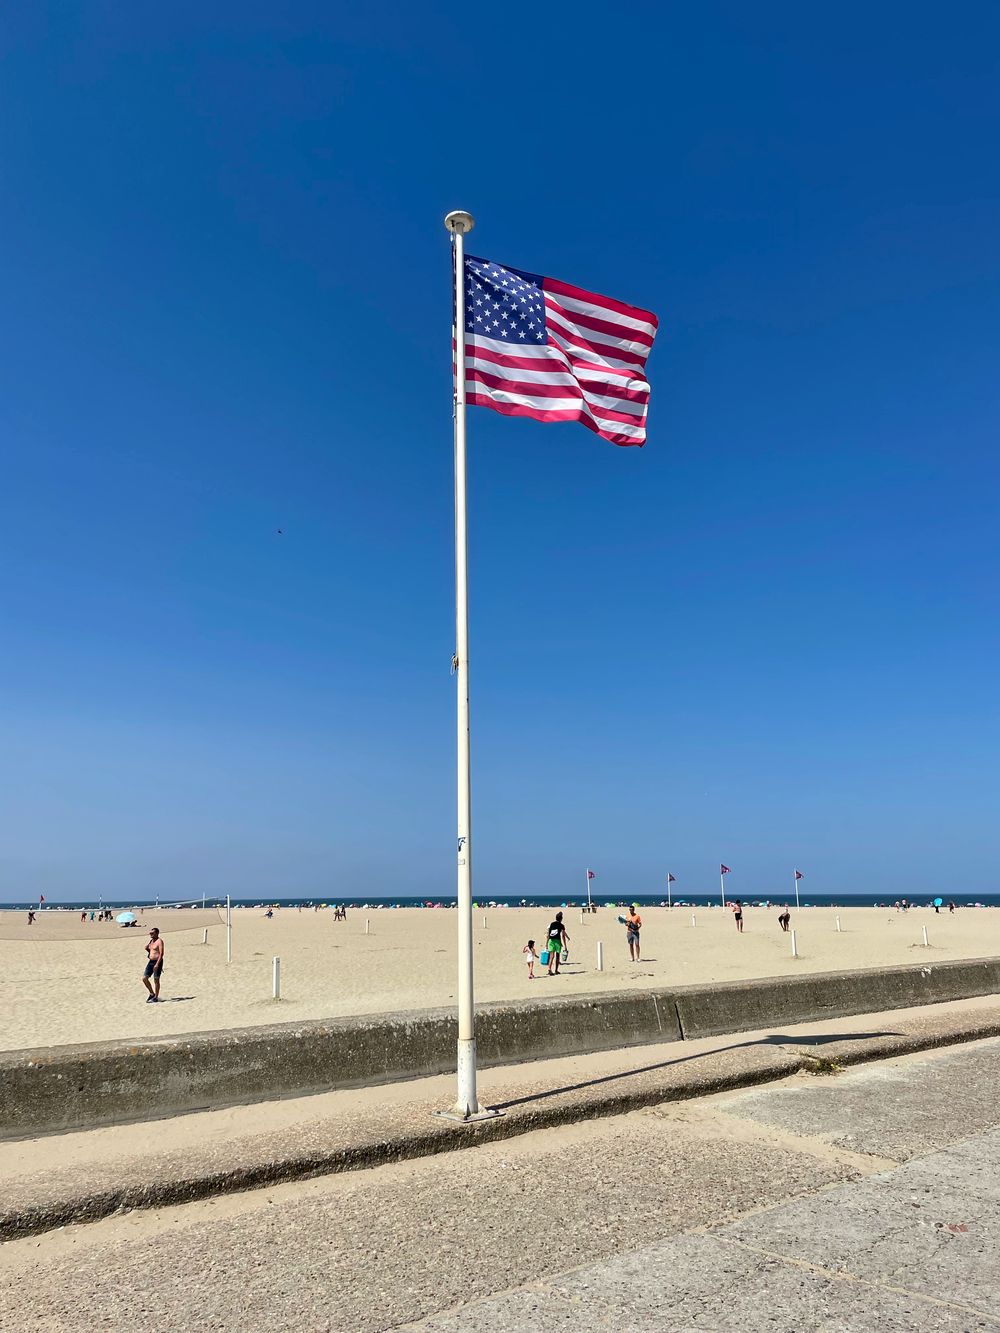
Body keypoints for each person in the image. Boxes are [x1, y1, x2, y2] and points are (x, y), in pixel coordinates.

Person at [142, 927, 164, 1003]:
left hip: (157, 962)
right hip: (150, 962)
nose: (150, 934)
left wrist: (157, 964)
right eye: (150, 933)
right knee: (144, 978)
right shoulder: (151, 941)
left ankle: (156, 997)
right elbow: (151, 950)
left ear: (157, 933)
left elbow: (161, 953)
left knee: (156, 979)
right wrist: (147, 949)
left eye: (152, 933)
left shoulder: (159, 941)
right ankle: (152, 993)